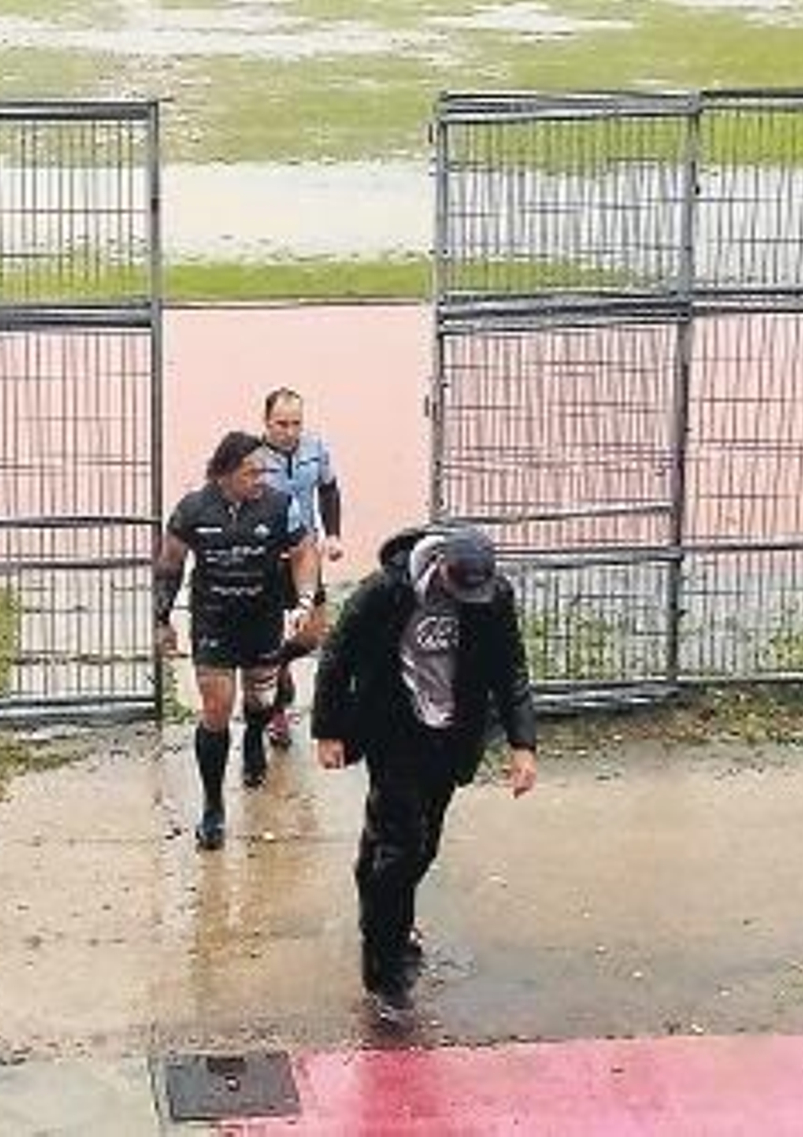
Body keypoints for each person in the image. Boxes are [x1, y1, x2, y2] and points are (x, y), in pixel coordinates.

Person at [311, 524, 538, 1019]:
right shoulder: (386, 591)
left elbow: (509, 668)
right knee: (402, 849)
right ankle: (387, 971)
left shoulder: (494, 597)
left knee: (419, 845)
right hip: (393, 729)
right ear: (441, 567)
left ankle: (379, 900)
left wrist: (523, 744)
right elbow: (338, 655)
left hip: (451, 736)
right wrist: (328, 729)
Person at [155, 431, 321, 850]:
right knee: (215, 709)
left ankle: (253, 739)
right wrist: (162, 618)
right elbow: (170, 563)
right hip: (214, 621)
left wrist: (303, 600)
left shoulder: (280, 505)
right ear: (225, 473)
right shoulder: (193, 508)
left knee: (260, 701)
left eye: (264, 470)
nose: (262, 478)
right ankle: (213, 807)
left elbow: (304, 551)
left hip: (263, 620)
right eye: (252, 472)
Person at [259, 387, 344, 748]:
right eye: (282, 424)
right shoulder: (252, 456)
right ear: (266, 422)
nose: (290, 431)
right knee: (265, 634)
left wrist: (334, 534)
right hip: (265, 559)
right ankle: (276, 714)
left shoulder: (315, 448)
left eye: (296, 423)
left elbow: (329, 489)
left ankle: (279, 664)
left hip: (305, 554)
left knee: (312, 635)